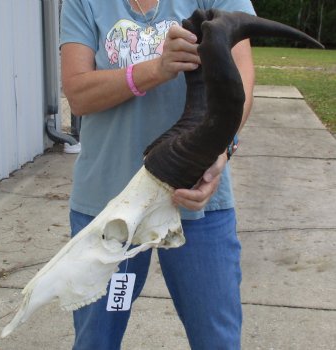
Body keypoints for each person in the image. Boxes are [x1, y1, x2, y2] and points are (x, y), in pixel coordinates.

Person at [60, 0, 255, 349]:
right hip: (110, 210)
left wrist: (221, 151)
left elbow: (238, 81)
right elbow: (78, 95)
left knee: (217, 340)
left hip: (197, 202)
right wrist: (157, 69)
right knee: (96, 340)